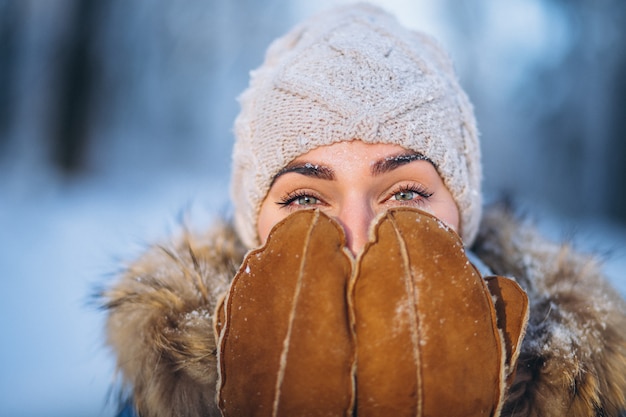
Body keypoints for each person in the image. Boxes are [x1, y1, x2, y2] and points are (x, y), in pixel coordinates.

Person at [99, 3, 626, 417]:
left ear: (462, 216)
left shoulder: (580, 396)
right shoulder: (168, 400)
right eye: (305, 199)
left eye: (406, 194)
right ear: (252, 226)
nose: (356, 238)